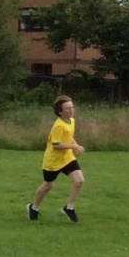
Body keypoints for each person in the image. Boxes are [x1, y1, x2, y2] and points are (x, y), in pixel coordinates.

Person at [29, 95, 85, 223]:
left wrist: (75, 146)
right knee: (48, 185)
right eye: (68, 108)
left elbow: (69, 136)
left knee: (79, 181)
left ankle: (69, 208)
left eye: (72, 107)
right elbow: (56, 145)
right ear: (60, 112)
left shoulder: (72, 121)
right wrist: (74, 146)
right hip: (53, 161)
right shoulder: (58, 126)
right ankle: (34, 208)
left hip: (67, 158)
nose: (71, 110)